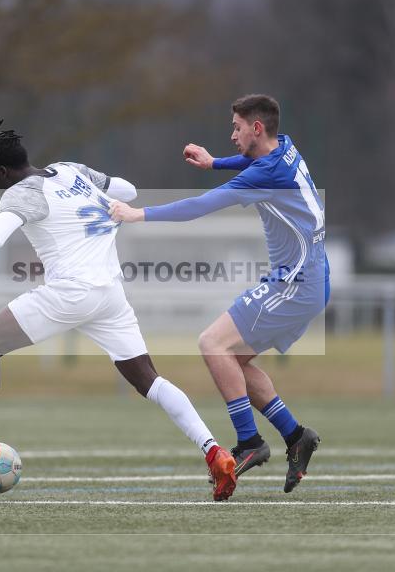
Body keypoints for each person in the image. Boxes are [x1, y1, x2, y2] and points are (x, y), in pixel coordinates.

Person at [0, 121, 237, 501]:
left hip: (71, 293)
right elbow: (128, 190)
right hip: (110, 294)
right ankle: (214, 452)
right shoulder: (70, 170)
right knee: (149, 381)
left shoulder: (22, 192)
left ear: (3, 171)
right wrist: (105, 202)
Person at [110, 94, 329, 493]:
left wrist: (138, 214)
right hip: (310, 277)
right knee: (233, 362)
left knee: (212, 344)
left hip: (294, 283)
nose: (232, 135)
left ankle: (250, 442)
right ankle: (296, 436)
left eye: (237, 127)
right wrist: (215, 163)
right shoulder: (284, 147)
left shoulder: (265, 173)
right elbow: (253, 161)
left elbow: (200, 206)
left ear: (256, 128)